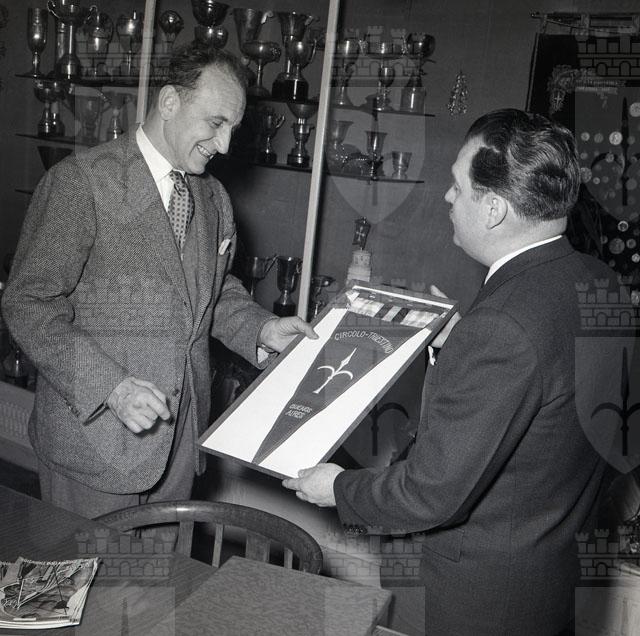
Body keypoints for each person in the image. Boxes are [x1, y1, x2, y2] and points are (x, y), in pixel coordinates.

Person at [284, 109, 632, 635]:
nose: (448, 197)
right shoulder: (597, 280)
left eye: (457, 186)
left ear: (493, 209)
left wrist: (338, 487)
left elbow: (429, 494)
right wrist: (463, 342)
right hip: (547, 581)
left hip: (470, 602)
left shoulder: (502, 327)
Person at [2, 43, 315, 519]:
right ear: (169, 102)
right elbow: (28, 303)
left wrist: (261, 328)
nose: (225, 145)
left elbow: (209, 292)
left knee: (161, 569)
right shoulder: (81, 182)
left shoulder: (213, 198)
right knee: (88, 568)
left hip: (180, 447)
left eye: (232, 129)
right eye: (216, 123)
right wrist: (112, 387)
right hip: (94, 445)